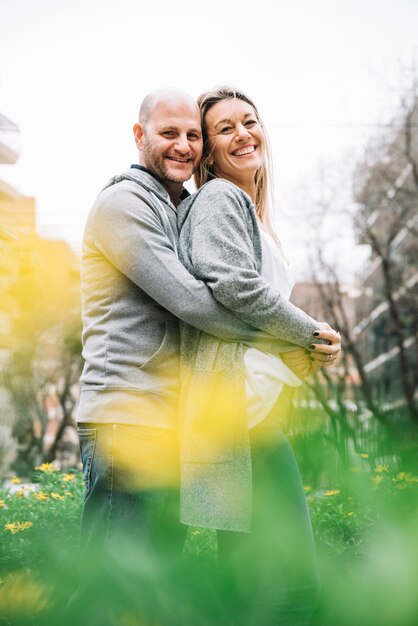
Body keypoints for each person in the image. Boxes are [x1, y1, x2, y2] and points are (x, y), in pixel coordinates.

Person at [75, 86, 340, 623]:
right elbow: (195, 300)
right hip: (126, 419)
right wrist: (299, 338)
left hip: (171, 424)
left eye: (191, 135)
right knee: (115, 590)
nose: (183, 145)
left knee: (157, 595)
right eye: (170, 133)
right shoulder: (124, 203)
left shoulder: (178, 204)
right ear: (139, 134)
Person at [177, 86, 340, 625]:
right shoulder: (219, 197)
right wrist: (311, 333)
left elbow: (247, 329)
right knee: (292, 588)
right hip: (242, 423)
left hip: (254, 416)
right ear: (207, 152)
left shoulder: (249, 209)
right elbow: (235, 287)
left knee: (255, 592)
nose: (244, 134)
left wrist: (300, 355)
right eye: (225, 129)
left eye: (250, 121)